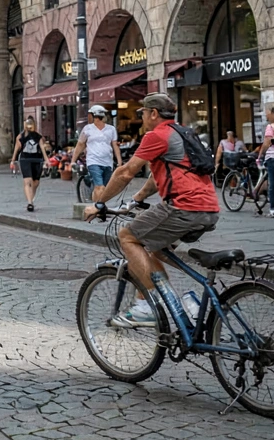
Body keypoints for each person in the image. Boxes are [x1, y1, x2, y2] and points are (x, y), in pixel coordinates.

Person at [88, 93, 220, 327]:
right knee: (156, 251)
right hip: (208, 207)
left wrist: (100, 203)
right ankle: (184, 305)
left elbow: (126, 172)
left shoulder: (157, 135)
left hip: (183, 206)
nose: (142, 118)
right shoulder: (183, 133)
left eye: (143, 113)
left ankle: (147, 306)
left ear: (154, 113)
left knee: (127, 237)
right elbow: (157, 175)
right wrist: (137, 198)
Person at [73, 104, 123, 193]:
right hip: (93, 160)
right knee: (100, 186)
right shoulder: (87, 129)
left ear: (94, 116)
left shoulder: (111, 129)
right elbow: (80, 144)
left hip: (107, 161)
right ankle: (99, 206)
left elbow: (115, 145)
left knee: (104, 187)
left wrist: (119, 161)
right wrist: (73, 160)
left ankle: (97, 203)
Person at [11, 117, 46, 212]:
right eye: (28, 124)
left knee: (36, 182)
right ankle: (30, 203)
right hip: (25, 159)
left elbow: (42, 148)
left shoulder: (38, 136)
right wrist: (13, 160)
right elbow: (16, 148)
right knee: (28, 181)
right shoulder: (21, 136)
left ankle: (31, 197)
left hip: (37, 160)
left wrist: (47, 160)